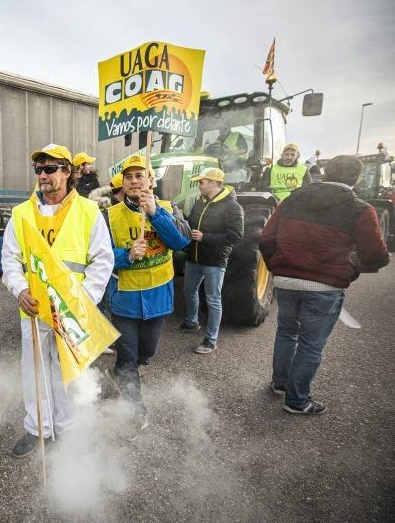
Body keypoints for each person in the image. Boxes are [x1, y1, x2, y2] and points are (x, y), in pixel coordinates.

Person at [2, 143, 113, 458]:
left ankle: (65, 430)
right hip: (34, 310)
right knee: (33, 373)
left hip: (71, 313)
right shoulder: (22, 213)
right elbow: (10, 258)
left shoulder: (89, 211)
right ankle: (38, 429)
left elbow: (102, 263)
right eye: (39, 169)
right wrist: (19, 290)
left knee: (67, 374)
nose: (43, 175)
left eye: (50, 169)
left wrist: (82, 303)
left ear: (68, 172)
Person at [261, 155, 389, 415]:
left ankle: (281, 384)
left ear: (325, 172)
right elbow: (376, 255)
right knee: (310, 344)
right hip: (324, 287)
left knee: (286, 332)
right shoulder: (360, 209)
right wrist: (350, 269)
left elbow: (266, 238)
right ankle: (297, 400)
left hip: (286, 282)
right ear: (357, 178)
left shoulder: (293, 198)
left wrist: (278, 267)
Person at [103, 154, 191, 438]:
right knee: (128, 357)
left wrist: (156, 214)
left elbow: (181, 241)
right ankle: (134, 411)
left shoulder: (168, 208)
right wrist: (126, 255)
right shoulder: (108, 215)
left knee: (146, 354)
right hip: (124, 300)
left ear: (151, 180)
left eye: (140, 175)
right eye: (128, 177)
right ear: (123, 183)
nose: (134, 181)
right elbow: (98, 256)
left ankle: (119, 374)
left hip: (158, 298)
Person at [175, 167, 244, 353]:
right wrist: (180, 217)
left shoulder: (233, 207)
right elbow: (192, 224)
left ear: (213, 183)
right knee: (189, 291)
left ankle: (211, 340)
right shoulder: (200, 202)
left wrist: (205, 237)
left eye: (201, 182)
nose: (199, 185)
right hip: (194, 259)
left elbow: (236, 236)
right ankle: (191, 323)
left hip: (214, 262)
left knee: (213, 300)